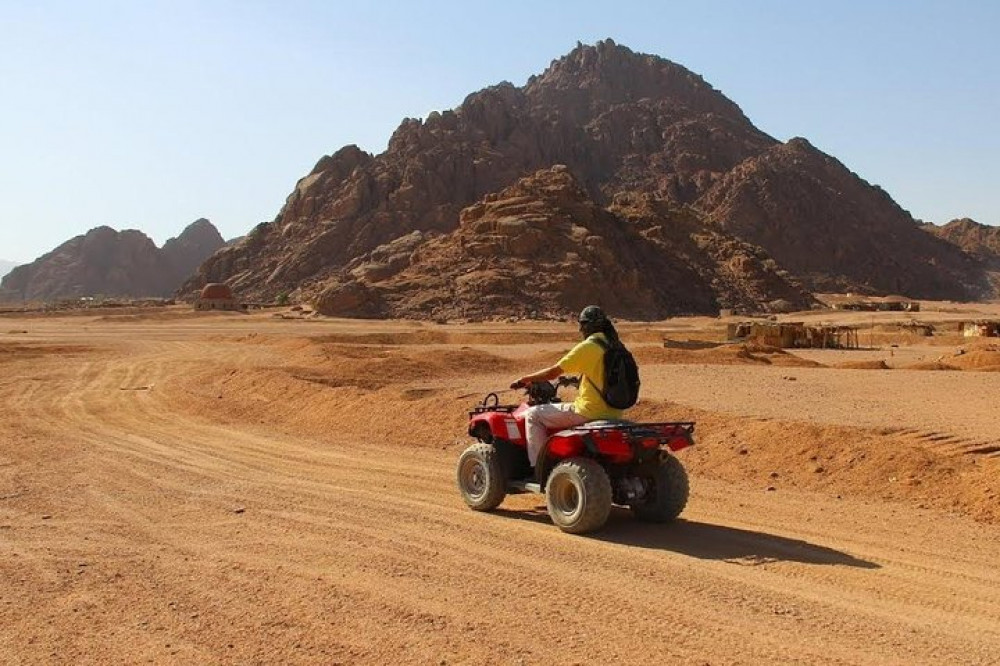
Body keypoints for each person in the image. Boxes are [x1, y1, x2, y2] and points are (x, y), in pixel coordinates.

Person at [512, 305, 626, 471]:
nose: (580, 329)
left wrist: (525, 379)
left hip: (588, 412)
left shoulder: (590, 346)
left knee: (533, 415)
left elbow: (553, 373)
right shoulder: (617, 346)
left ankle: (539, 468)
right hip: (615, 413)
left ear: (588, 326)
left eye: (582, 325)